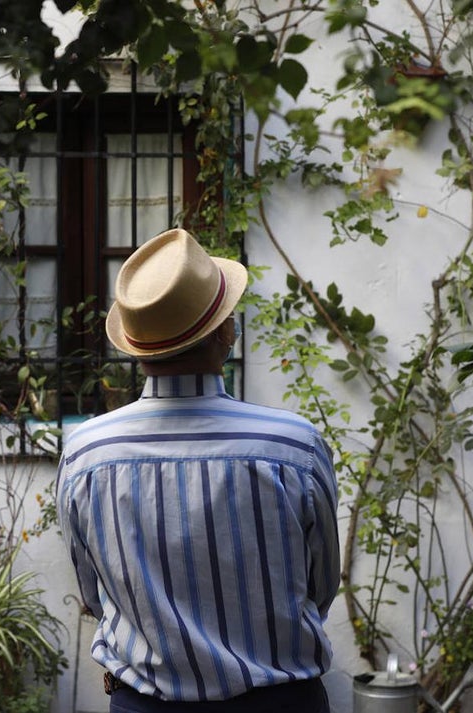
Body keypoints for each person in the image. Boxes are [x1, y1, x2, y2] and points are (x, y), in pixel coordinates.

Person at [56, 228, 340, 713]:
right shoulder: (294, 446)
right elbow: (320, 584)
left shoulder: (87, 453)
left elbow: (93, 593)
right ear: (226, 332)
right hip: (281, 702)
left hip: (146, 704)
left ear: (135, 347)